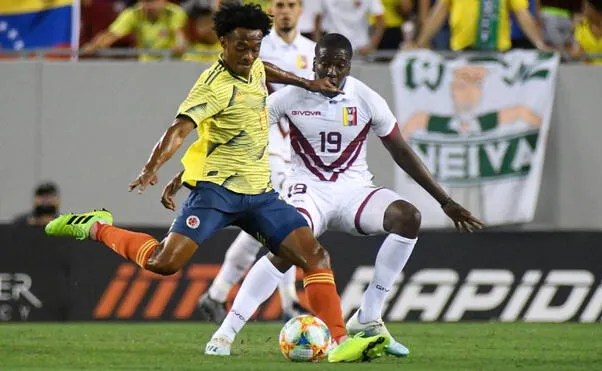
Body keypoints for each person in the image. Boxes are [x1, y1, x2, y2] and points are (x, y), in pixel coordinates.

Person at [45, 3, 390, 363]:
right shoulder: (213, 86)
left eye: (255, 46)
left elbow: (264, 69)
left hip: (259, 194)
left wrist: (305, 82)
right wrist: (153, 167)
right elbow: (179, 130)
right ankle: (97, 227)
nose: (249, 55)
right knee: (164, 263)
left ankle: (338, 342)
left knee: (316, 256)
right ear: (222, 41)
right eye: (241, 47)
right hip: (216, 193)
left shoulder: (253, 64)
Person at [171, 32, 482, 358]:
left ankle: (369, 316)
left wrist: (445, 201)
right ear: (313, 61)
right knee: (287, 250)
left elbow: (401, 151)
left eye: (339, 65)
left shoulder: (366, 98)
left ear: (349, 65)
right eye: (325, 63)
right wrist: (189, 172)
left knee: (408, 217)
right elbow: (239, 136)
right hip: (307, 190)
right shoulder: (289, 97)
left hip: (354, 190)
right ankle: (225, 332)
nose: (331, 71)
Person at [197, 0, 317, 323]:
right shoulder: (256, 45)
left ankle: (216, 294)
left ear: (301, 10)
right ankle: (289, 302)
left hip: (300, 149)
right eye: (280, 4)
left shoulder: (313, 51)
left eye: (292, 4)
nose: (286, 10)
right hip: (266, 144)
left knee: (262, 229)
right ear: (272, 9)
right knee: (284, 220)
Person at [412, 0, 547, 51]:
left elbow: (521, 13)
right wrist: (420, 43)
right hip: (462, 54)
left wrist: (540, 44)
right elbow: (440, 10)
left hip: (496, 54)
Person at [82, 0, 188, 61]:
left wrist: (180, 45)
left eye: (154, 1)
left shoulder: (175, 13)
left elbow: (180, 37)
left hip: (172, 63)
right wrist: (94, 46)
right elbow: (111, 34)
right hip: (145, 65)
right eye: (146, 1)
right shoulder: (133, 13)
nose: (150, 6)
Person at [314, 0, 387, 56]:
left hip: (360, 49)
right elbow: (317, 18)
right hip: (334, 48)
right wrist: (319, 45)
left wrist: (371, 46)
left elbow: (380, 19)